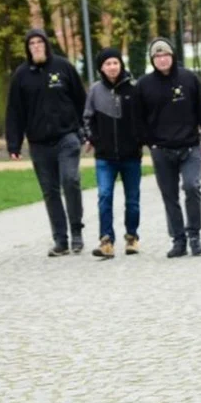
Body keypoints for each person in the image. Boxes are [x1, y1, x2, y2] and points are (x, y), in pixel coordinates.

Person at [5, 29, 87, 256]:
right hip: (39, 142)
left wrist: (87, 130)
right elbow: (14, 112)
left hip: (67, 137)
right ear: (27, 48)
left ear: (46, 45)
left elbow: (81, 100)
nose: (36, 46)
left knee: (70, 180)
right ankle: (60, 239)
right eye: (32, 43)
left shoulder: (63, 68)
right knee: (50, 191)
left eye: (40, 42)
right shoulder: (21, 76)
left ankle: (77, 232)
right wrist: (14, 143)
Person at [136, 37, 201, 258]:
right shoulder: (144, 85)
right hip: (161, 149)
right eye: (157, 56)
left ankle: (194, 235)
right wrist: (147, 141)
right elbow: (137, 117)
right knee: (169, 195)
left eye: (166, 55)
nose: (162, 60)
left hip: (189, 146)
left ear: (172, 56)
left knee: (192, 187)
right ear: (152, 60)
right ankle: (178, 239)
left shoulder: (188, 79)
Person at [83, 48, 142, 259]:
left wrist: (138, 140)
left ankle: (132, 237)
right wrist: (94, 139)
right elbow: (87, 118)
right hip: (105, 156)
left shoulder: (133, 89)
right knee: (105, 196)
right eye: (107, 64)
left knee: (132, 200)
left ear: (121, 64)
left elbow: (142, 118)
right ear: (101, 67)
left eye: (115, 63)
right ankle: (106, 239)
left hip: (131, 155)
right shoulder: (95, 90)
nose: (112, 67)